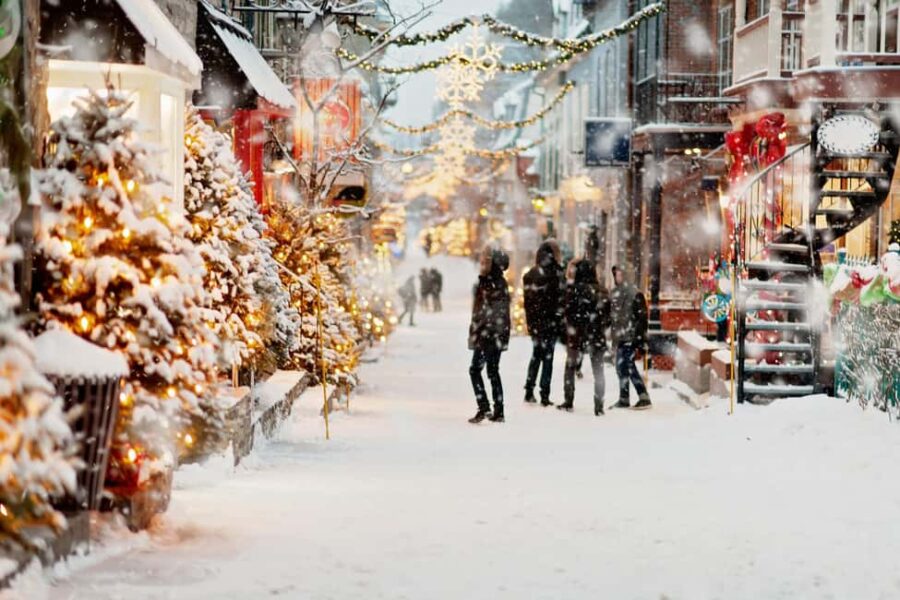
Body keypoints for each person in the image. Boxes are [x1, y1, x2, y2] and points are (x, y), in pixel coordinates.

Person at [558, 259, 610, 415]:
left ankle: (568, 400)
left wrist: (572, 329)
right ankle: (599, 405)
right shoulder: (603, 292)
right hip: (596, 336)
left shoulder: (573, 291)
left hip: (577, 336)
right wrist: (599, 326)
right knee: (598, 371)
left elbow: (567, 314)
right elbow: (608, 317)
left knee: (570, 367)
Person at [468, 246, 511, 424]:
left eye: (485, 261)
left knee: (478, 370)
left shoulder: (492, 283)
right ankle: (496, 409)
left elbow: (493, 312)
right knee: (490, 371)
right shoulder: (491, 282)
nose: (482, 264)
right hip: (490, 334)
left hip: (490, 335)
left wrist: (482, 331)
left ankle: (487, 407)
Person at [522, 239, 564, 406]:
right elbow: (561, 300)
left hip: (536, 323)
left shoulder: (530, 275)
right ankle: (544, 393)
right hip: (551, 323)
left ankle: (529, 389)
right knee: (548, 358)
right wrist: (558, 319)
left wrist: (531, 323)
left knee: (536, 356)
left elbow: (528, 303)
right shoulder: (556, 274)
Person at [609, 265, 651, 410]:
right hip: (620, 337)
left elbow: (642, 319)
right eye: (616, 274)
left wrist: (640, 340)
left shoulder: (635, 294)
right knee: (621, 367)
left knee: (628, 366)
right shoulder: (614, 293)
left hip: (631, 337)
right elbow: (612, 317)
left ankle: (643, 397)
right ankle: (624, 398)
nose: (617, 277)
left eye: (620, 274)